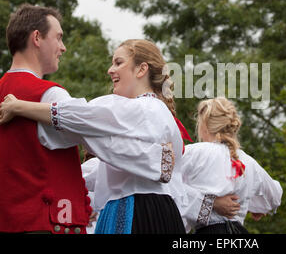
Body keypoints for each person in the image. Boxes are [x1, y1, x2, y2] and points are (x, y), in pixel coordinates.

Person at [0, 39, 240, 233]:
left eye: (118, 62)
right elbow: (115, 155)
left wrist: (19, 106)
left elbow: (82, 117)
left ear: (141, 69)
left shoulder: (140, 108)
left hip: (135, 210)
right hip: (159, 212)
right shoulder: (158, 113)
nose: (110, 70)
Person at [0, 4, 92, 234]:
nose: (63, 47)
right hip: (46, 223)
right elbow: (96, 136)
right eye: (58, 38)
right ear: (37, 38)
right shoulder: (50, 94)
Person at [181, 97, 283, 234]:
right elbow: (274, 196)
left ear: (204, 125)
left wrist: (208, 203)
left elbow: (169, 186)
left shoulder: (195, 153)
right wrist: (258, 206)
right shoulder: (249, 162)